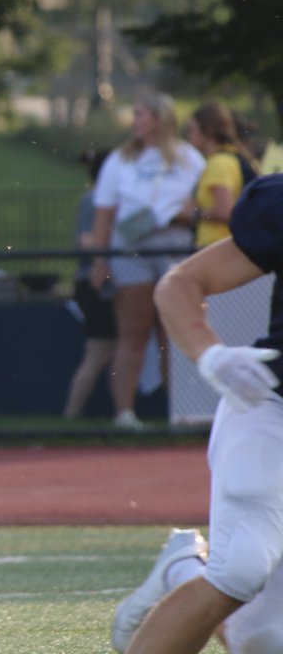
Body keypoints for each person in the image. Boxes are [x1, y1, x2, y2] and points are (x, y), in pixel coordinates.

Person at [113, 174, 283, 654]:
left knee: (263, 642)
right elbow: (181, 283)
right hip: (271, 411)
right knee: (244, 566)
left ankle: (183, 567)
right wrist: (209, 353)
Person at [89, 92, 205, 429]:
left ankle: (181, 414)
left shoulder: (188, 158)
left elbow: (205, 205)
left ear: (159, 118)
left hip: (174, 251)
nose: (134, 120)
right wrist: (100, 260)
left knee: (174, 334)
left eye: (140, 114)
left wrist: (189, 213)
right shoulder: (120, 159)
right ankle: (124, 413)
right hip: (131, 252)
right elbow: (104, 212)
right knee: (132, 332)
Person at [62, 149, 117, 419]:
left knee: (111, 350)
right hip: (94, 284)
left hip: (110, 283)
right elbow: (85, 240)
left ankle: (120, 413)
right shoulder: (93, 200)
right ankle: (71, 415)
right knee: (97, 352)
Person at [186, 102, 257, 249]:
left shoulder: (220, 163)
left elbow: (224, 212)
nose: (189, 135)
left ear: (208, 130)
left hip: (218, 246)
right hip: (222, 246)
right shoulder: (228, 158)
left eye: (192, 129)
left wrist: (193, 214)